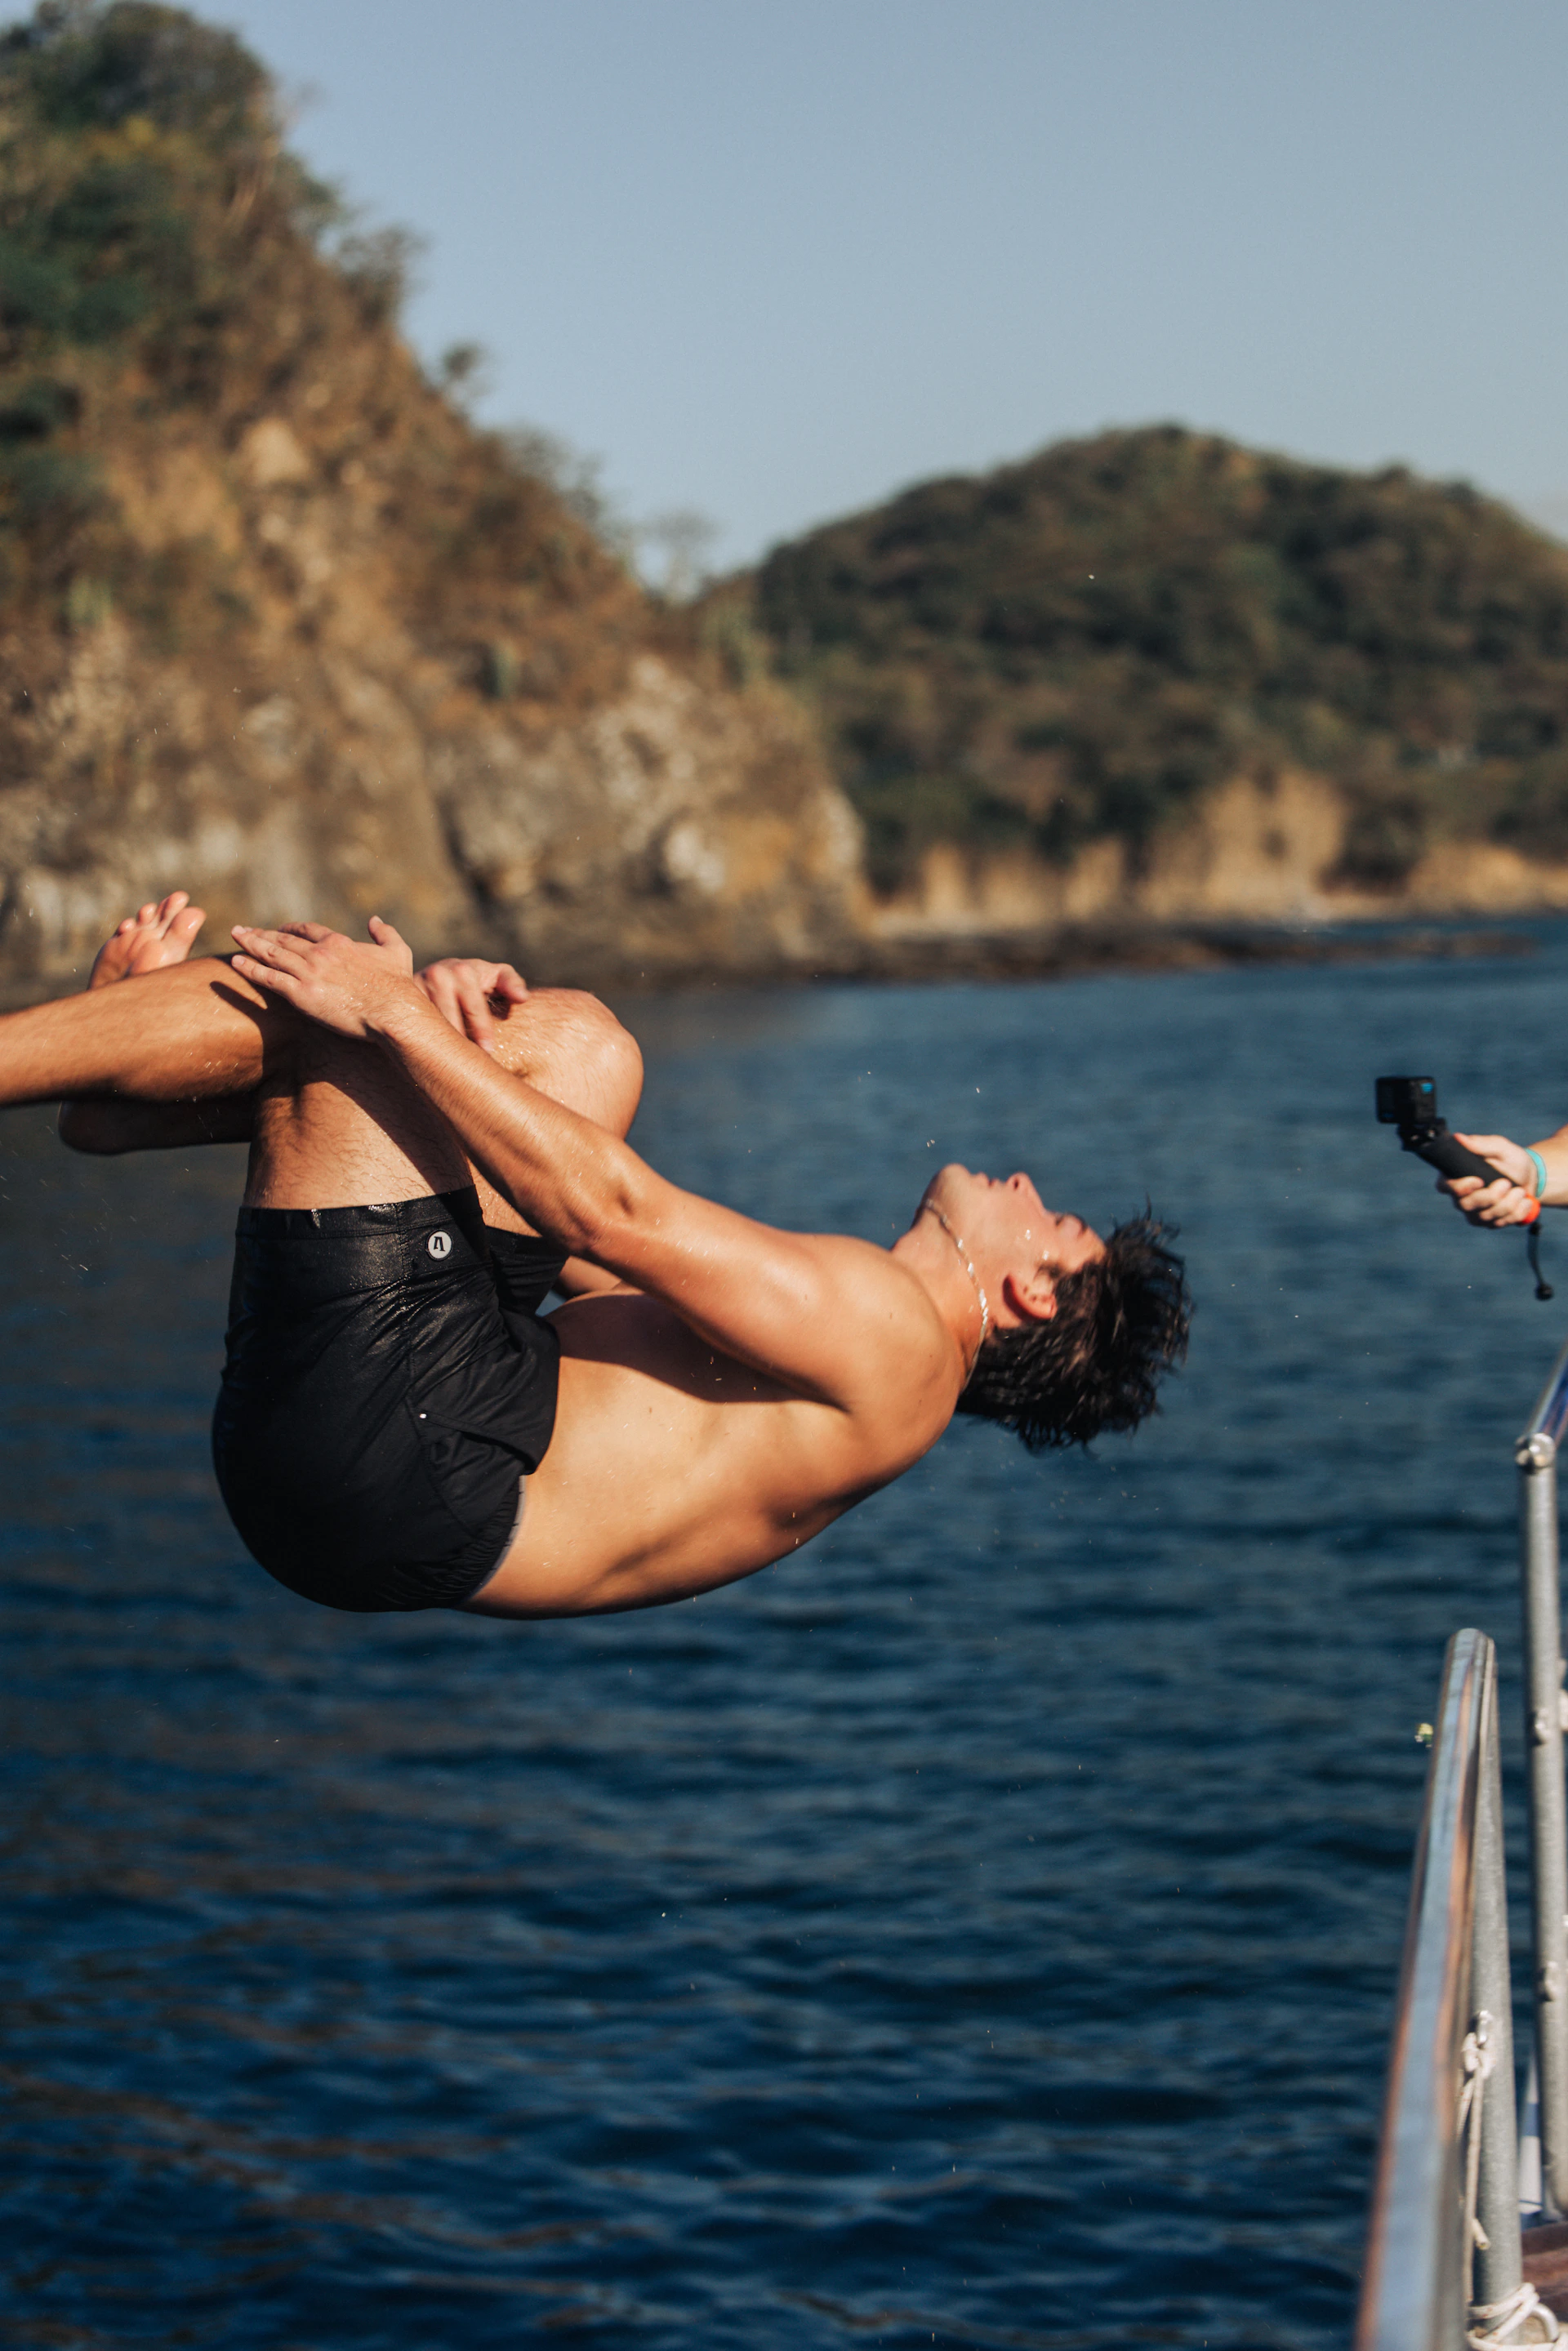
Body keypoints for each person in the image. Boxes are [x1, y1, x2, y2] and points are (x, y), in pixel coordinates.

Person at [0, 892, 1191, 1620]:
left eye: (1055, 1218)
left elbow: (610, 1214)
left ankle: (62, 1058)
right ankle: (118, 1103)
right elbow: (601, 1264)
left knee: (350, 1009)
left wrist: (403, 1017)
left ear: (1034, 1291)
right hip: (421, 1457)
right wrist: (465, 1040)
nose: (1031, 1187)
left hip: (411, 1449)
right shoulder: (879, 1378)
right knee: (577, 1051)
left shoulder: (893, 1329)